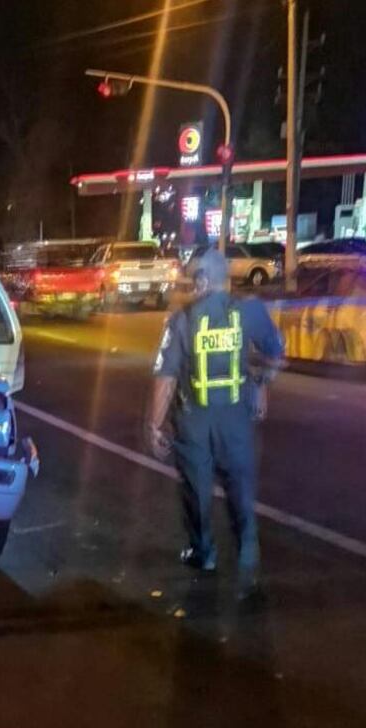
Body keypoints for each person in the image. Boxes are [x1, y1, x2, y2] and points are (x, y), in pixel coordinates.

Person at [145, 249, 284, 602]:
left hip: (194, 421)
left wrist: (154, 425)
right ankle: (248, 555)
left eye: (195, 280)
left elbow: (166, 377)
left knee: (197, 489)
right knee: (240, 485)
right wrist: (261, 384)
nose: (193, 287)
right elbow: (275, 350)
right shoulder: (249, 311)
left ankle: (203, 553)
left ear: (204, 280)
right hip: (236, 418)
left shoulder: (182, 320)